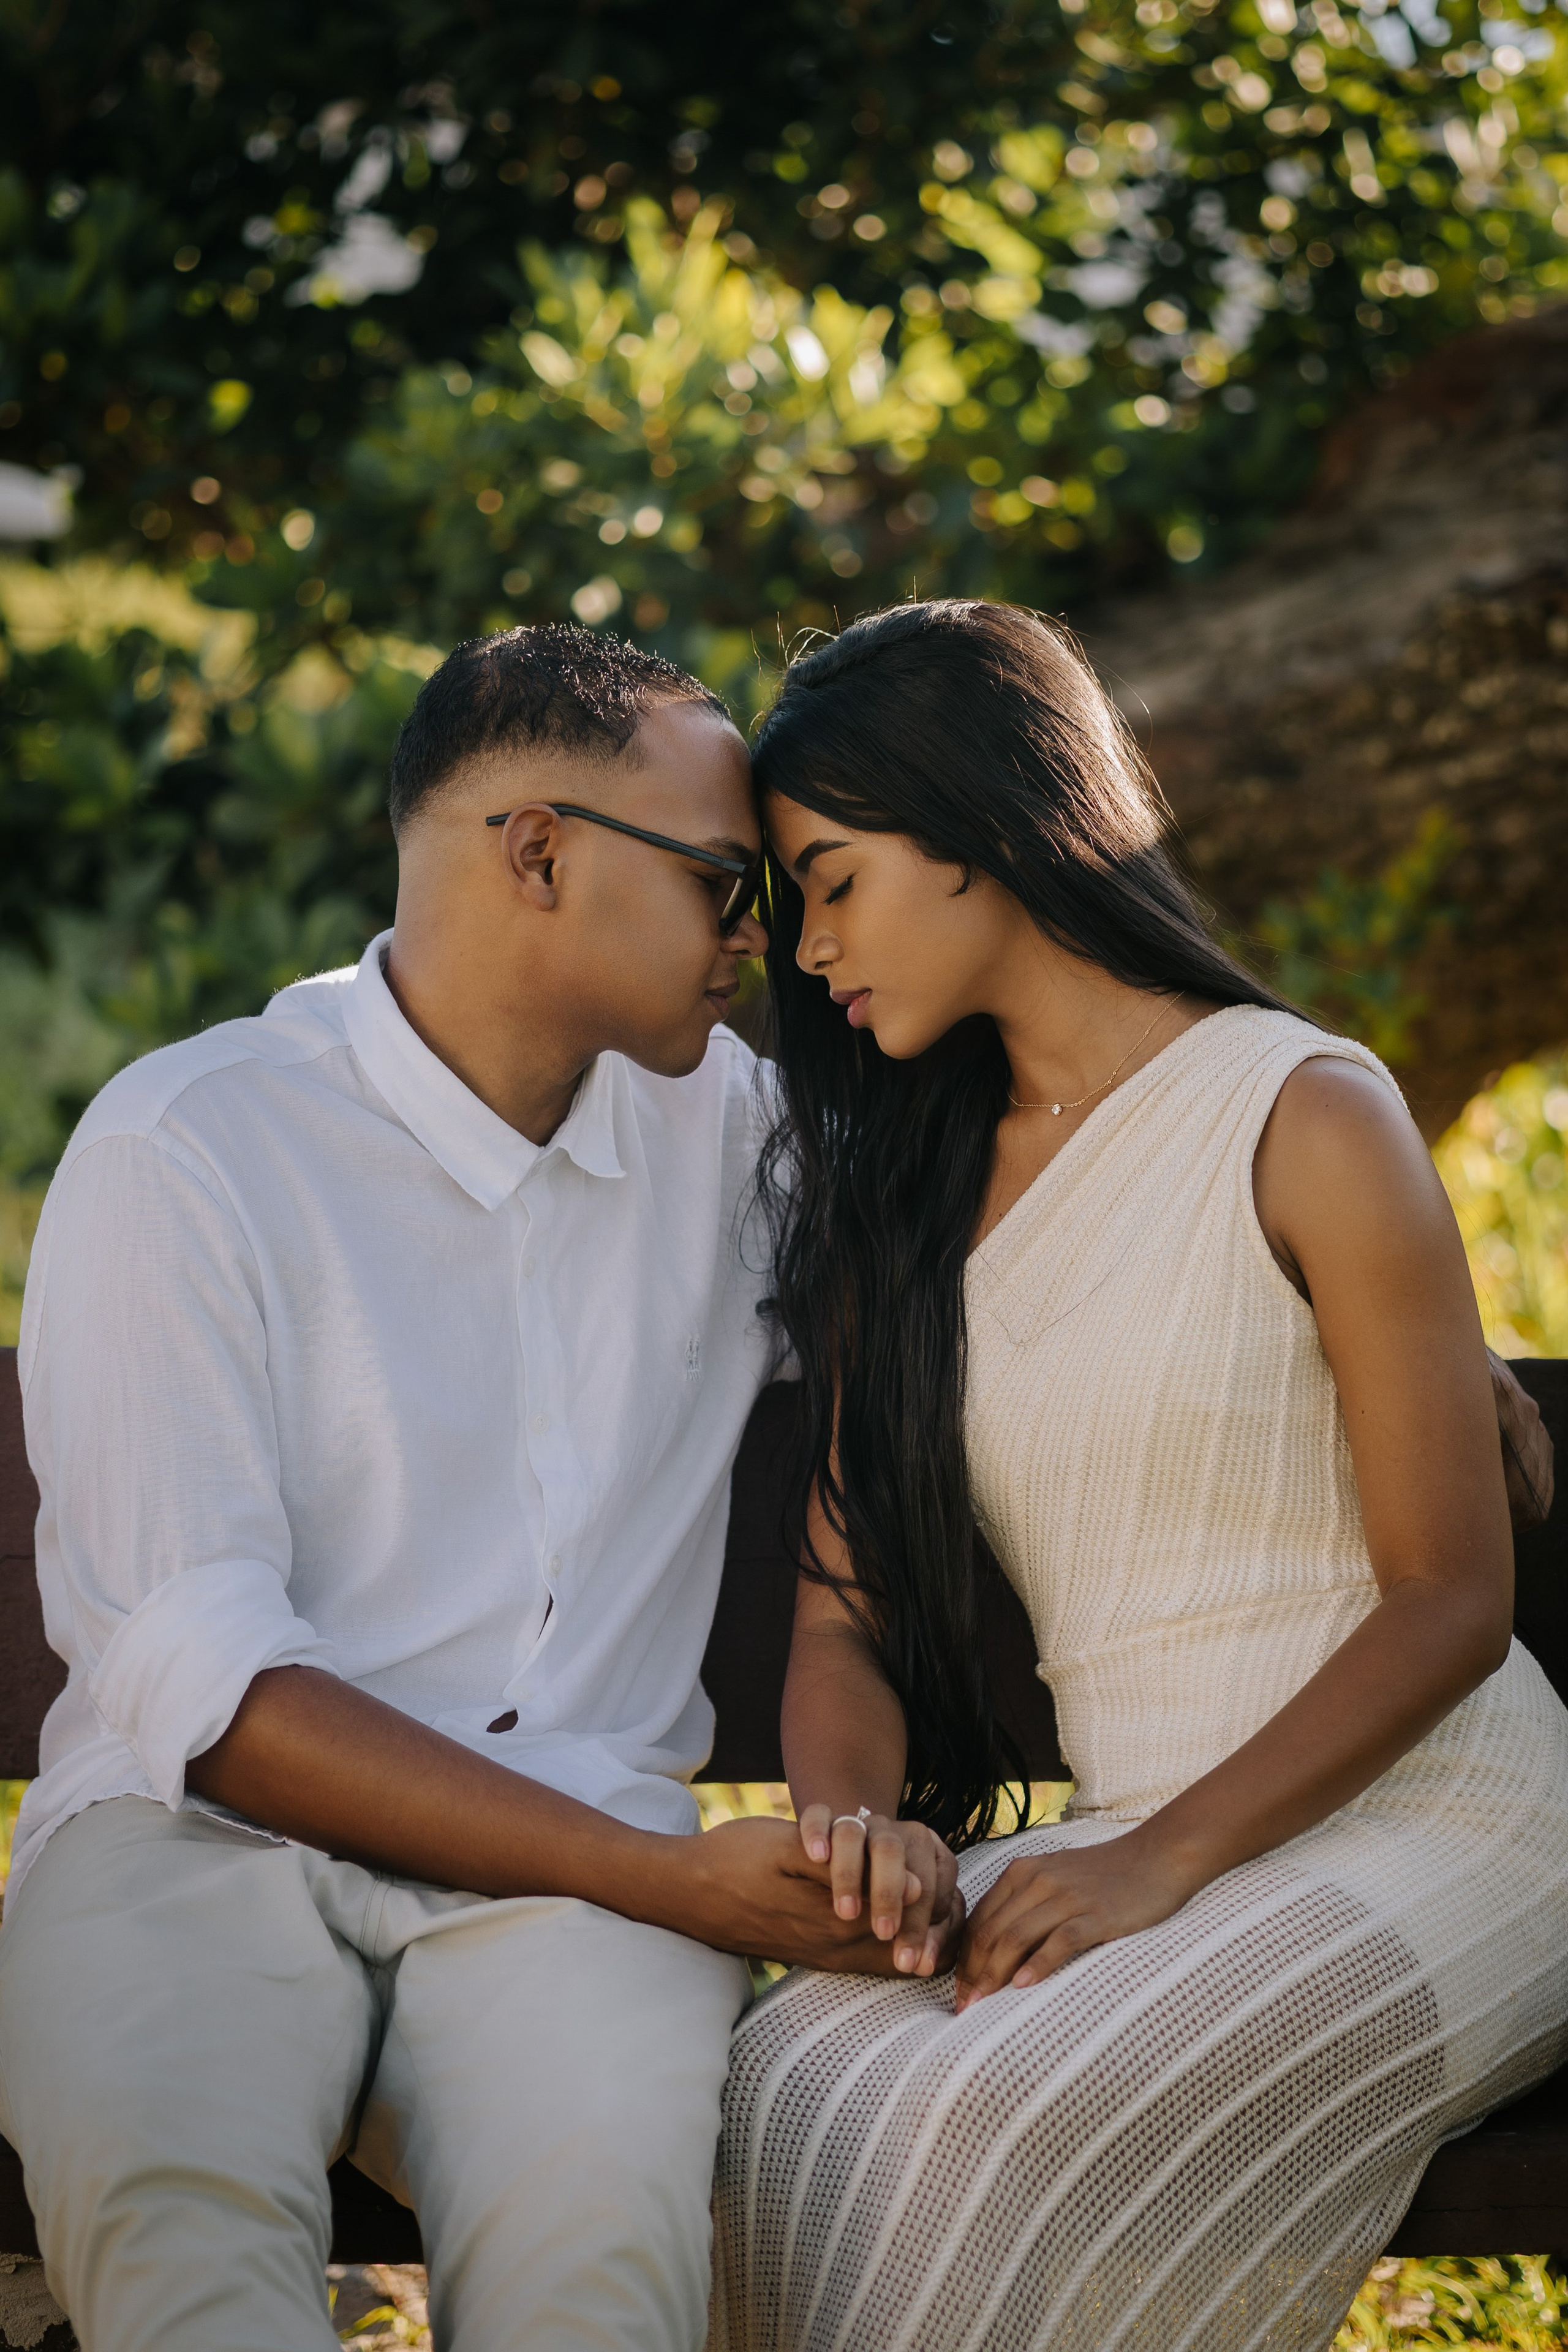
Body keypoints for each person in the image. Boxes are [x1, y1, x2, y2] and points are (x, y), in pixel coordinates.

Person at [0, 626, 960, 2352]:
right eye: (728, 884)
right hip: (192, 1845)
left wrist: (1364, 1311)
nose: (769, 945)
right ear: (538, 854)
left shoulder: (746, 1139)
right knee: (185, 2266)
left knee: (599, 2287)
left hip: (572, 1888)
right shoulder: (191, 1146)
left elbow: (1046, 1254)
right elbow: (207, 1702)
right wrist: (666, 1879)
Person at [709, 599, 1568, 2352]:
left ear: (980, 836)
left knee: (984, 2114)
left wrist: (1157, 1864)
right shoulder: (910, 1200)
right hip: (1148, 1849)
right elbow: (842, 1614)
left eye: (834, 878)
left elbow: (1453, 1603)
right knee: (792, 2077)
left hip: (1442, 1825)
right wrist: (858, 1832)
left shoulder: (1306, 1114)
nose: (807, 948)